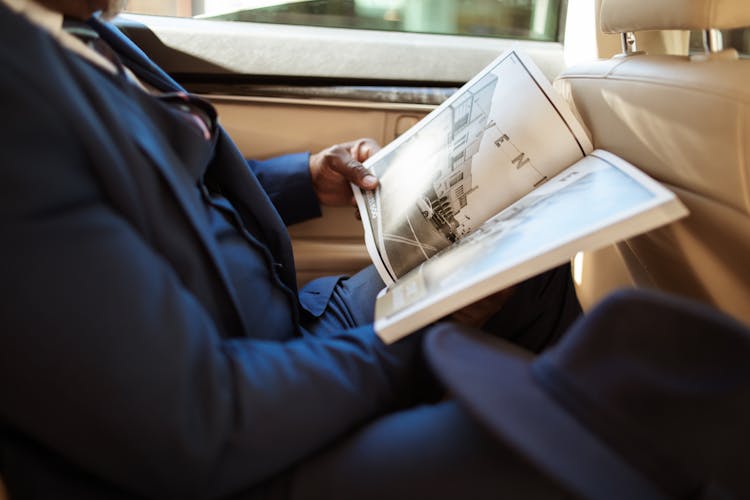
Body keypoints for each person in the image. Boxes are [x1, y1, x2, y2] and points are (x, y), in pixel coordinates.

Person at [0, 0, 581, 498]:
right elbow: (197, 424)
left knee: (527, 264)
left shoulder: (77, 31)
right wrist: (423, 331)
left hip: (287, 337)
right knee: (562, 445)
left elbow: (165, 182)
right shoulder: (15, 99)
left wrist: (306, 180)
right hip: (243, 441)